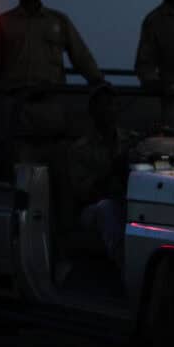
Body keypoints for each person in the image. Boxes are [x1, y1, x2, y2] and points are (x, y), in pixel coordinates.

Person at [68, 84, 138, 269]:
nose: (109, 109)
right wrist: (110, 171)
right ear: (93, 111)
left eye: (113, 104)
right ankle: (124, 264)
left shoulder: (132, 141)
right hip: (93, 208)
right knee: (106, 209)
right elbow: (82, 193)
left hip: (127, 201)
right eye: (104, 104)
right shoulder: (80, 149)